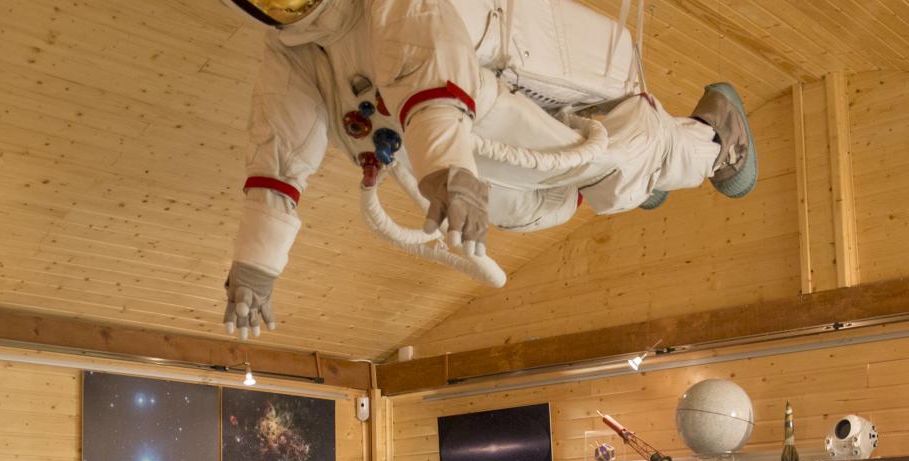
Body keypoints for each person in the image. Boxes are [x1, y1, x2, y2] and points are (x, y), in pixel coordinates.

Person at [217, 0, 757, 338]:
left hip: (483, 101)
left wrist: (446, 163)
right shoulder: (293, 48)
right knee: (547, 199)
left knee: (608, 162)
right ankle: (636, 184)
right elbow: (279, 144)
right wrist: (256, 264)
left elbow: (423, 54)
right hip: (462, 144)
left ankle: (715, 136)